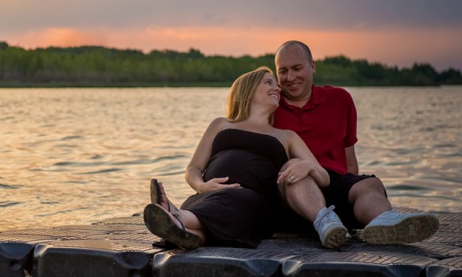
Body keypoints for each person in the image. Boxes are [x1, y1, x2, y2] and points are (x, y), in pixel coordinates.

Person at [143, 66, 338, 250]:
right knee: (206, 218)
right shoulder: (221, 124)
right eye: (268, 82)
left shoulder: (286, 136)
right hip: (207, 197)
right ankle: (185, 233)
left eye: (276, 84)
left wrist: (307, 167)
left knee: (237, 200)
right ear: (249, 90)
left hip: (253, 203)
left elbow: (324, 177)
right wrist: (202, 186)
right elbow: (193, 168)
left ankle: (177, 216)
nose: (277, 87)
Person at [272, 40, 439, 246]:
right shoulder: (269, 104)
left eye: (297, 68)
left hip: (335, 188)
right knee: (293, 168)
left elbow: (349, 158)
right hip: (292, 198)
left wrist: (354, 184)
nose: (290, 78)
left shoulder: (340, 99)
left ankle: (385, 221)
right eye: (283, 71)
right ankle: (323, 221)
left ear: (312, 66)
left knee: (369, 184)